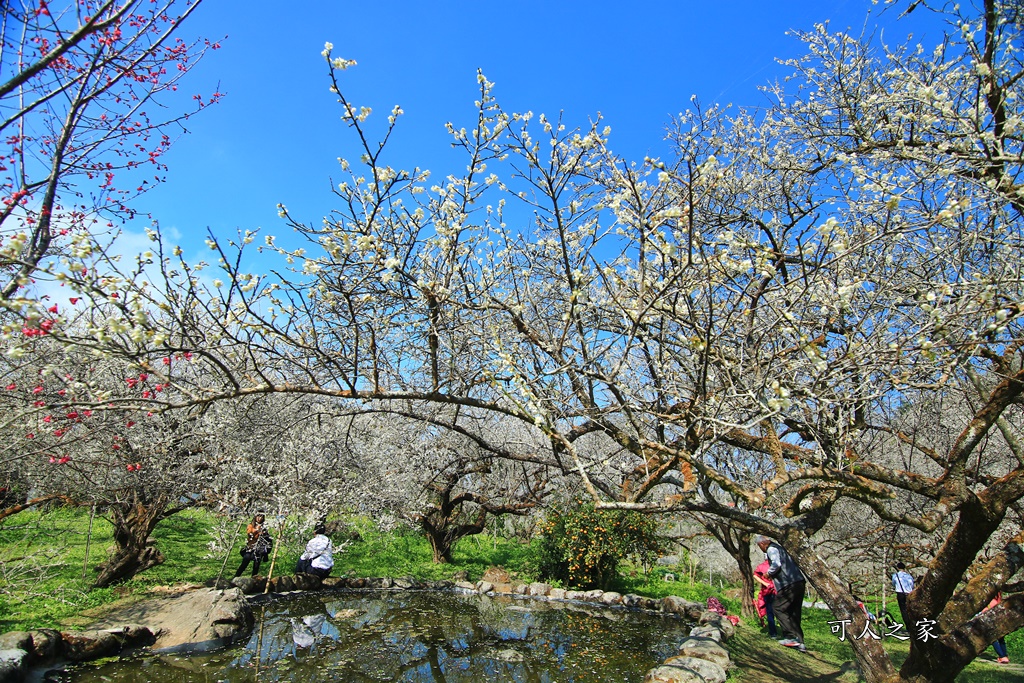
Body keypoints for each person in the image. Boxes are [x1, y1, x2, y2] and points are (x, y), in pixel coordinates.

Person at [756, 535, 807, 652]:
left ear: (762, 544)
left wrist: (768, 573)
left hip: (788, 584)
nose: (761, 549)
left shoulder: (771, 549)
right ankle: (800, 643)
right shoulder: (781, 548)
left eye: (759, 546)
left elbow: (776, 564)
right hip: (799, 582)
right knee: (794, 612)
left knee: (777, 607)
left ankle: (790, 637)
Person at [235, 513, 273, 578]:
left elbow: (267, 538)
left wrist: (264, 533)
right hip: (250, 547)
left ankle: (253, 579)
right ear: (255, 517)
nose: (260, 518)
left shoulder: (264, 527)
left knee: (256, 565)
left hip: (259, 548)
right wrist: (257, 530)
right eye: (258, 516)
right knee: (245, 562)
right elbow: (249, 533)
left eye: (262, 517)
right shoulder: (251, 526)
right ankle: (236, 576)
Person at [754, 559, 778, 639]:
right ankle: (773, 632)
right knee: (771, 612)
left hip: (775, 590)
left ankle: (775, 633)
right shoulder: (763, 566)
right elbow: (755, 575)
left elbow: (755, 575)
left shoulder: (777, 564)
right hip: (768, 591)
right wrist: (765, 583)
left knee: (772, 612)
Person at [984, 593, 1011, 664]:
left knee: (993, 639)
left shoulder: (990, 602)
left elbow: (984, 611)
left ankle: (1002, 656)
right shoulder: (999, 601)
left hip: (992, 622)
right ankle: (1005, 656)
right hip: (1000, 622)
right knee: (1001, 639)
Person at [892, 562, 914, 627]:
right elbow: (912, 585)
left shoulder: (895, 576)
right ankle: (913, 623)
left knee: (903, 610)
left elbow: (893, 583)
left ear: (898, 568)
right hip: (909, 594)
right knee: (910, 609)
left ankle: (908, 625)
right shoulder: (909, 576)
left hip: (900, 594)